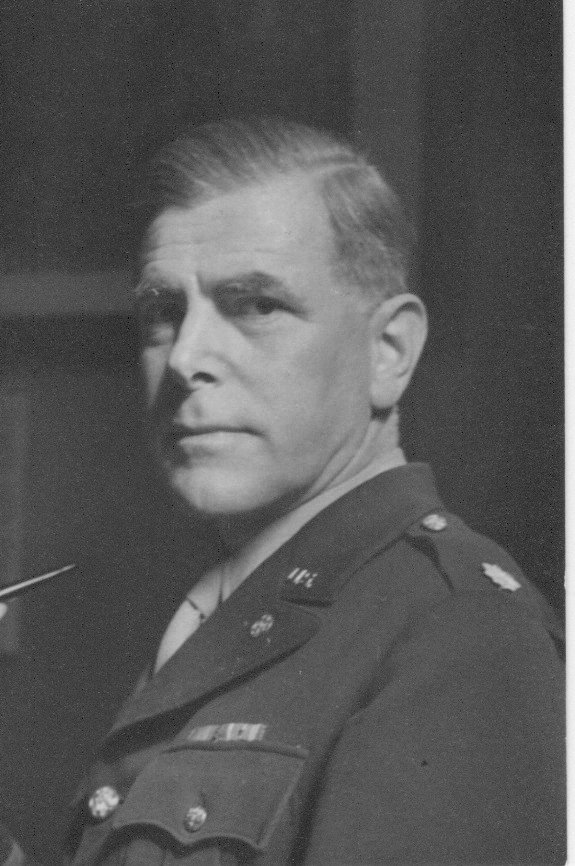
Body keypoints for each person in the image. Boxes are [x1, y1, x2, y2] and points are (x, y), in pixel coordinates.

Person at [2, 117, 565, 864]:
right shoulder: (218, 599)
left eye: (255, 306)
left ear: (388, 351)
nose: (186, 359)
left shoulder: (458, 635)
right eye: (164, 313)